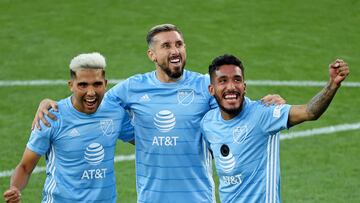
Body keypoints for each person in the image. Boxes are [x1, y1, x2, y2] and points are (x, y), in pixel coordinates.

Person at [31, 24, 285, 203]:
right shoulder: (132, 87)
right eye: (166, 46)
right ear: (152, 54)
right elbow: (91, 101)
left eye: (179, 44)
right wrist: (49, 102)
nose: (175, 50)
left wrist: (267, 102)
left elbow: (237, 106)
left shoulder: (203, 86)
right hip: (151, 197)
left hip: (198, 197)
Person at [200, 54, 350, 203]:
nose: (231, 87)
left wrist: (333, 85)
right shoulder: (208, 123)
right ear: (212, 89)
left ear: (244, 87)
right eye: (223, 81)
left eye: (237, 80)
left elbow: (309, 112)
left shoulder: (263, 114)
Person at [3, 53, 134, 203]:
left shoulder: (115, 112)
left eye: (97, 84)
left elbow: (145, 140)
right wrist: (15, 188)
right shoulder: (51, 118)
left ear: (105, 83)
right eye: (83, 85)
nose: (91, 92)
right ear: (71, 85)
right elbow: (25, 167)